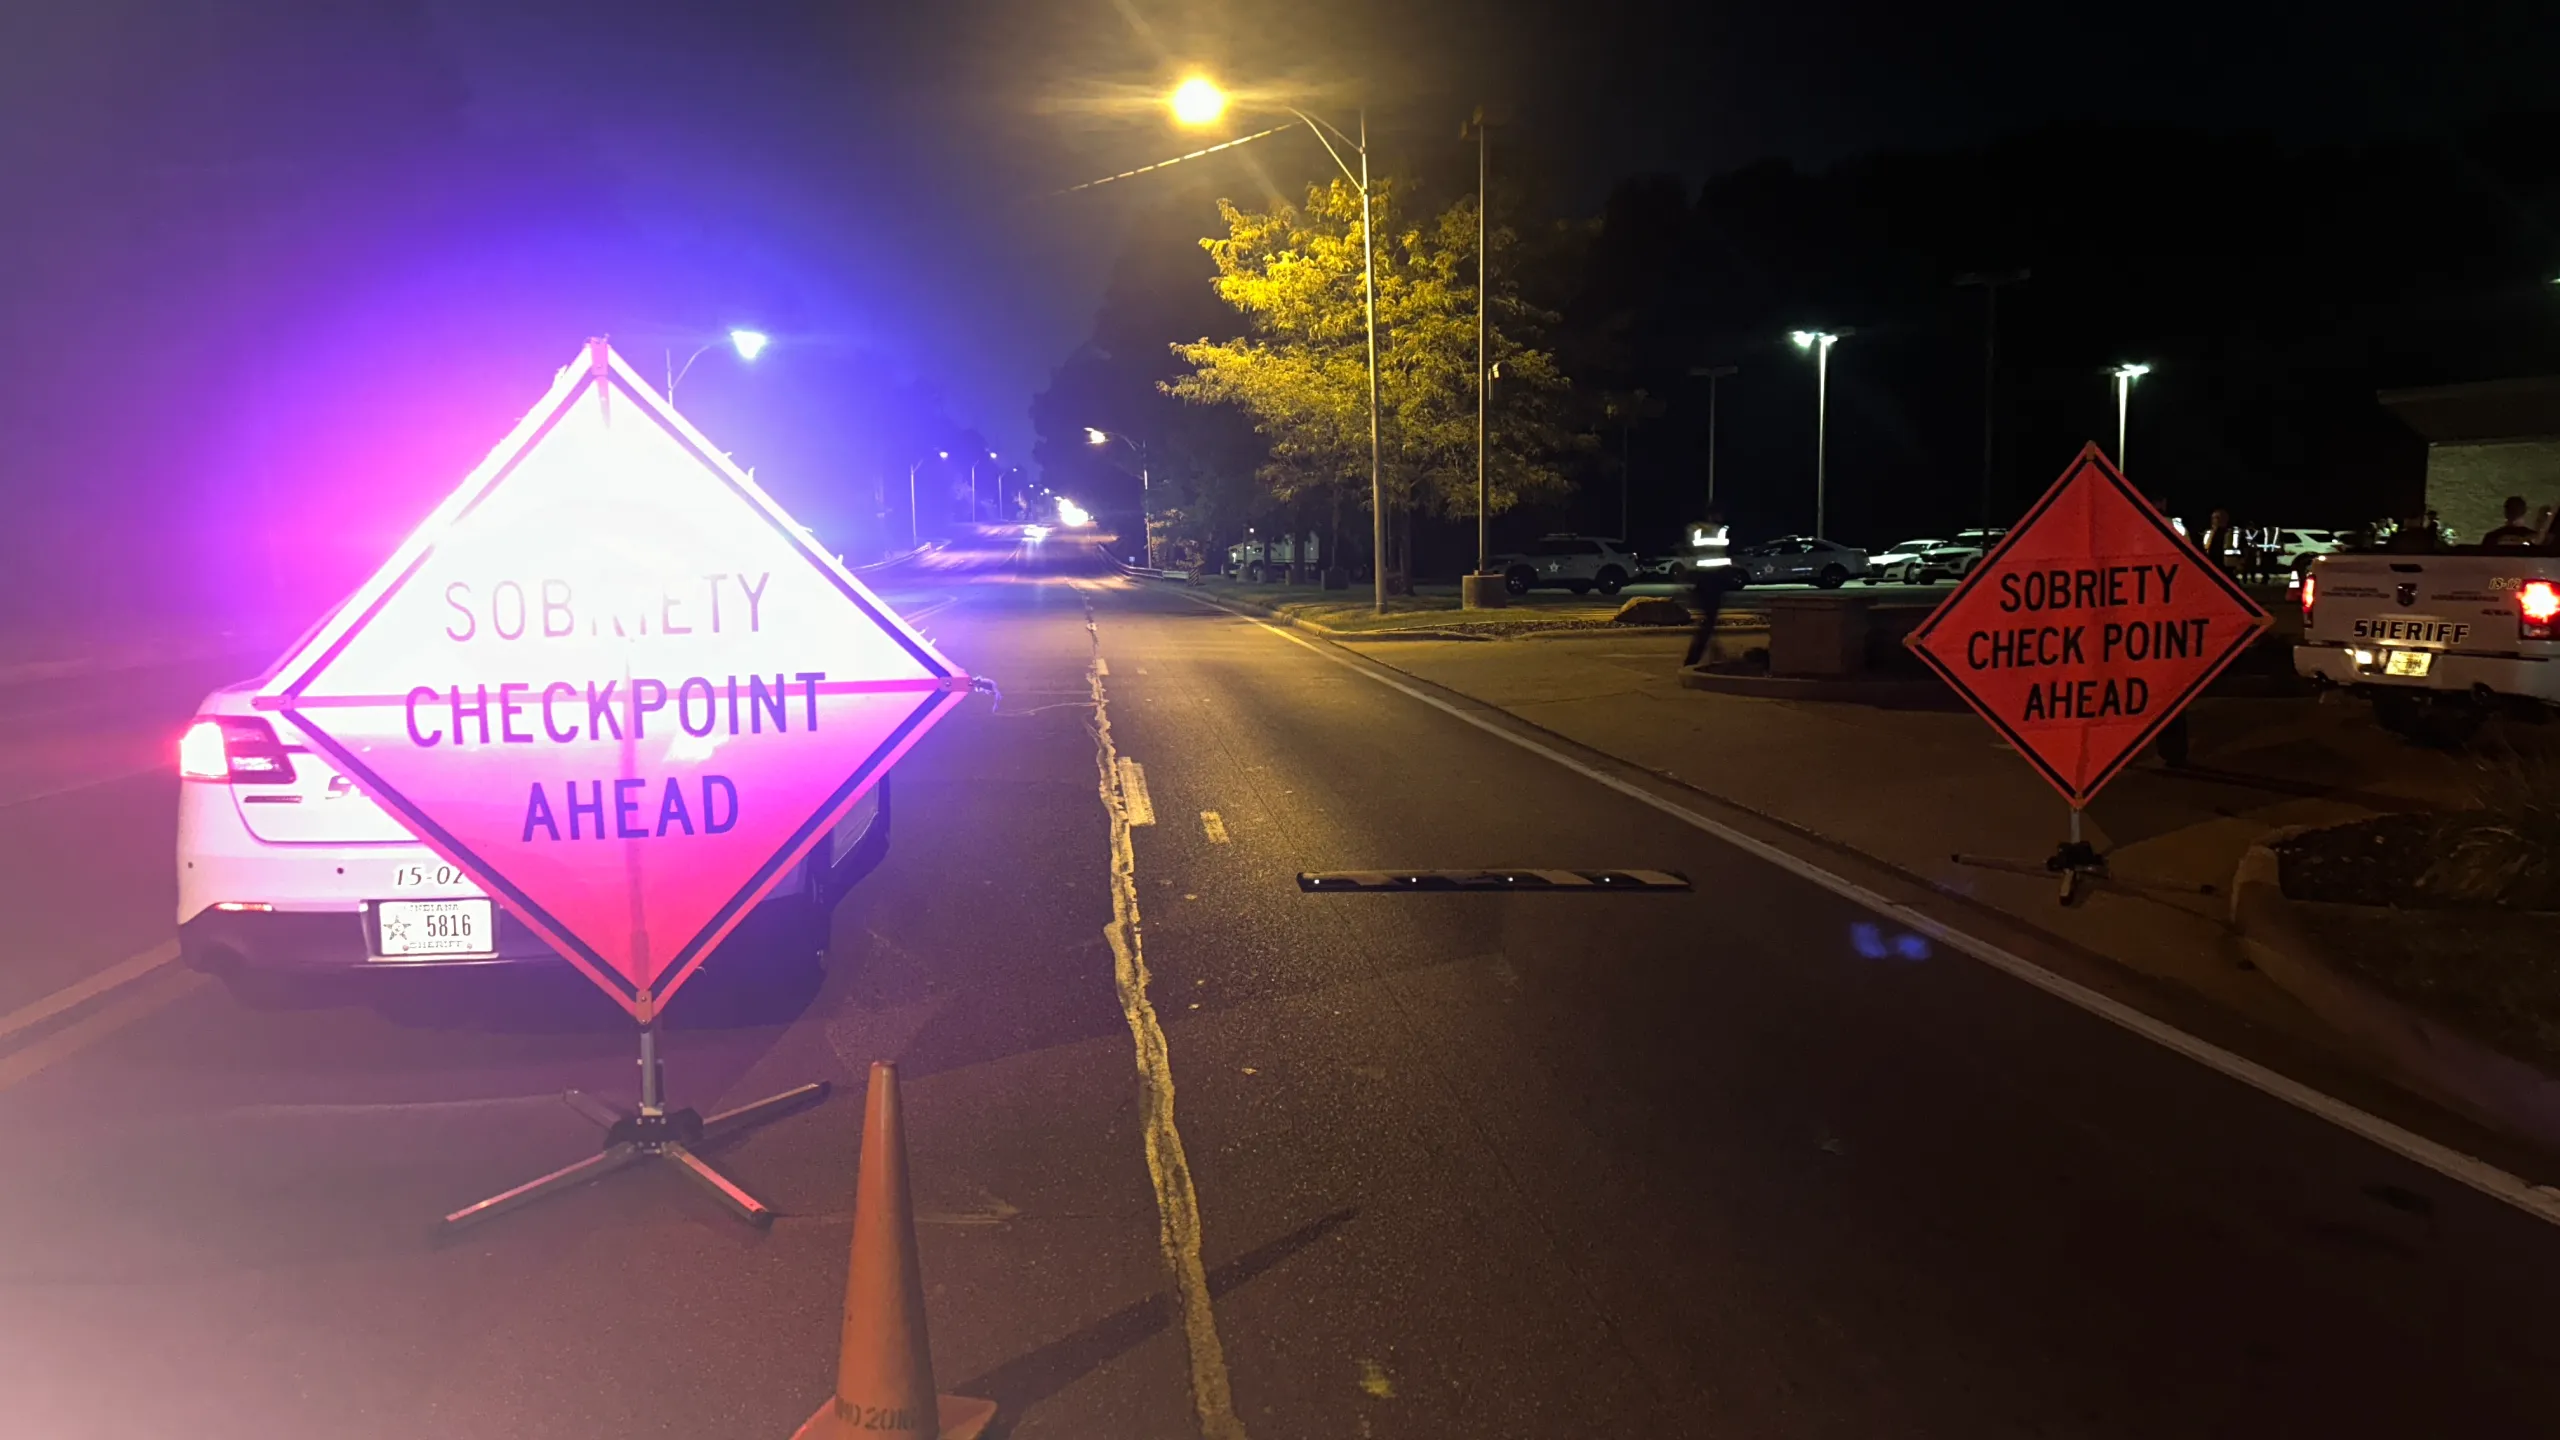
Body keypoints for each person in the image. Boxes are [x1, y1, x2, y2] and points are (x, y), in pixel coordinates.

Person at [1682, 508, 1741, 670]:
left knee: (1709, 621)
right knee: (1708, 623)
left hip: (1704, 579)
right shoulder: (1716, 530)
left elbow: (1692, 551)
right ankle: (1692, 660)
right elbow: (1722, 552)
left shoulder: (1696, 528)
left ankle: (1712, 653)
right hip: (1711, 579)